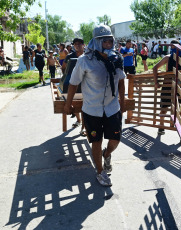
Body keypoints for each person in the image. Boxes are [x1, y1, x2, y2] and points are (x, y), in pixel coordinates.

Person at [64, 25, 125, 187]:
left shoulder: (117, 59)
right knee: (96, 141)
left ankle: (107, 154)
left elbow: (120, 81)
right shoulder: (85, 61)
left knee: (115, 139)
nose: (108, 43)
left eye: (110, 40)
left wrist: (123, 102)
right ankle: (100, 172)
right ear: (96, 42)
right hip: (92, 110)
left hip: (112, 108)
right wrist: (68, 104)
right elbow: (72, 83)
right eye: (104, 41)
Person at [153, 40, 181, 135]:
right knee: (164, 106)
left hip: (178, 85)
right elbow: (155, 68)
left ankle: (172, 124)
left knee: (178, 106)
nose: (174, 48)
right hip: (168, 84)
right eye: (173, 46)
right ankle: (161, 126)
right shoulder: (168, 57)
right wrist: (156, 82)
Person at [61, 38, 86, 135]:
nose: (77, 46)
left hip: (85, 84)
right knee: (74, 105)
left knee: (85, 106)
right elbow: (63, 68)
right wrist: (66, 78)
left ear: (83, 45)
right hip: (72, 85)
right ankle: (78, 120)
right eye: (75, 44)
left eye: (80, 44)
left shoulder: (87, 56)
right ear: (73, 45)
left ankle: (83, 127)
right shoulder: (69, 56)